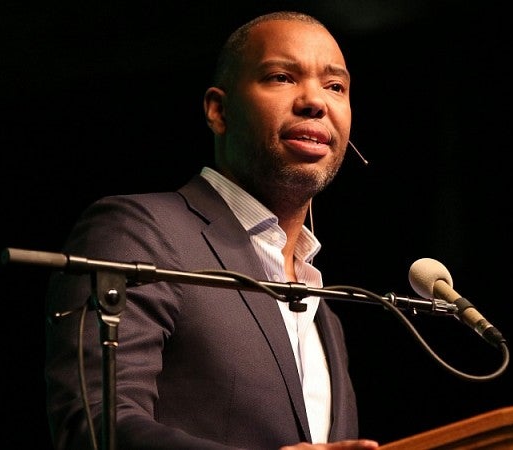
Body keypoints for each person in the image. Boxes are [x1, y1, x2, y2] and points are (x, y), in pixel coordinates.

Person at [44, 10, 380, 450]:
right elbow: (94, 425)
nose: (315, 101)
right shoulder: (140, 232)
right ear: (219, 111)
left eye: (335, 86)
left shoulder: (326, 315)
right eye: (282, 77)